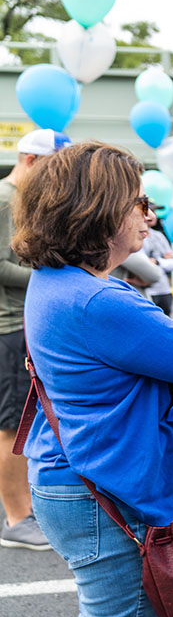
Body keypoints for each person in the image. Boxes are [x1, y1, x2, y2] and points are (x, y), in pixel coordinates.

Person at [17, 142, 173, 617]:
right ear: (96, 211)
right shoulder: (101, 299)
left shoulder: (53, 282)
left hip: (69, 477)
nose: (151, 214)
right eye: (139, 203)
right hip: (107, 491)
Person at [0, 129, 70, 552]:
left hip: (20, 320)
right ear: (29, 161)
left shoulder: (18, 199)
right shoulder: (3, 199)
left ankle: (23, 510)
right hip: (7, 323)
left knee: (21, 420)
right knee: (11, 424)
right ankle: (15, 517)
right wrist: (53, 277)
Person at [140, 207, 173, 315]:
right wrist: (162, 260)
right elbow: (142, 264)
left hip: (164, 290)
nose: (153, 215)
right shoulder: (135, 237)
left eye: (154, 212)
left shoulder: (159, 236)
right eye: (148, 211)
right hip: (147, 291)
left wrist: (157, 261)